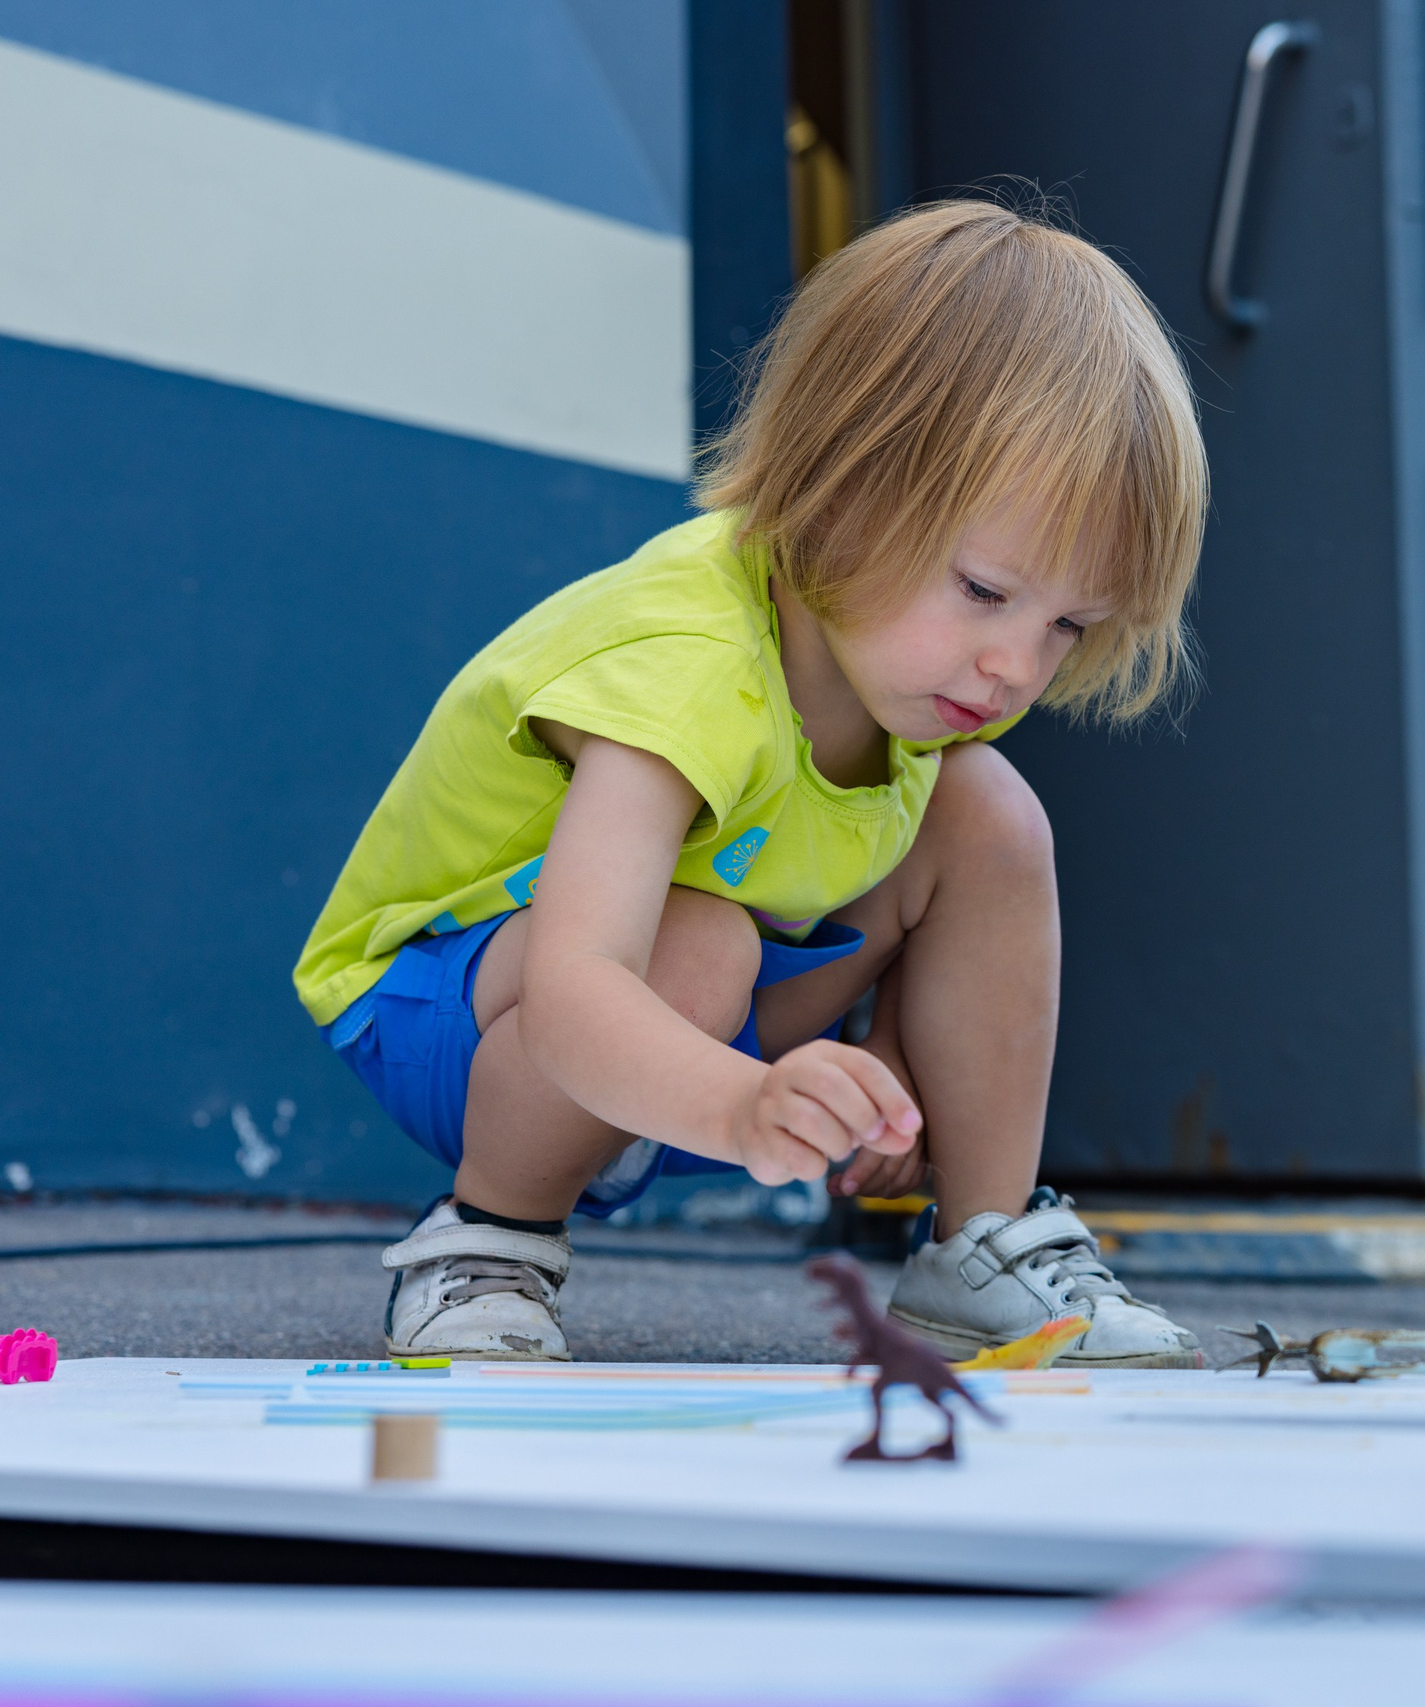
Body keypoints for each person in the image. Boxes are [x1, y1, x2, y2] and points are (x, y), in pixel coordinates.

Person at [293, 201, 1208, 1367]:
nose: (1015, 665)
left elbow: (886, 914)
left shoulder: (903, 688)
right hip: (457, 1018)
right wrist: (738, 1106)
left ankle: (984, 1248)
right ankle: (488, 1240)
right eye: (984, 591)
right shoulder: (684, 668)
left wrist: (890, 1074)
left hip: (700, 1028)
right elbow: (578, 984)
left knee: (989, 817)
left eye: (1069, 625)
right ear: (841, 489)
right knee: (704, 941)